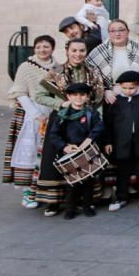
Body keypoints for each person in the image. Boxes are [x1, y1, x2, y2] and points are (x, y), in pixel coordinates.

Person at [33, 38, 105, 214]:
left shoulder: (93, 72)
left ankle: (84, 201)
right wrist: (60, 104)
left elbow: (99, 98)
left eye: (81, 50)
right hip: (62, 119)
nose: (78, 54)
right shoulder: (56, 71)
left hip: (85, 121)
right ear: (67, 51)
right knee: (54, 159)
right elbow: (40, 95)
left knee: (85, 161)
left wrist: (97, 119)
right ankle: (54, 201)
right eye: (74, 50)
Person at [3, 35, 57, 208]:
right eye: (39, 46)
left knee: (47, 154)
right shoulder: (26, 67)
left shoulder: (58, 68)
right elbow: (19, 92)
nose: (42, 50)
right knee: (31, 152)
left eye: (46, 46)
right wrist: (36, 114)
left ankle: (44, 190)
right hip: (31, 114)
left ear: (52, 48)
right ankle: (28, 193)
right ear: (34, 49)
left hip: (52, 113)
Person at [47, 82, 104, 220]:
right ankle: (70, 208)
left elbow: (99, 128)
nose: (78, 98)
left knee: (88, 180)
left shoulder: (91, 113)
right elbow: (53, 134)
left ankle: (87, 205)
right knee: (71, 182)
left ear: (87, 96)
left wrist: (88, 140)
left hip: (86, 150)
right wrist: (64, 146)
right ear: (68, 97)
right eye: (75, 95)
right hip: (69, 151)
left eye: (82, 95)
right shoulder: (62, 115)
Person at [105, 70, 139, 211]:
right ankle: (121, 197)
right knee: (122, 170)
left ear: (138, 86)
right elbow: (108, 124)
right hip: (121, 142)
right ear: (120, 87)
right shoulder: (116, 102)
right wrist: (108, 141)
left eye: (131, 88)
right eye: (125, 88)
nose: (128, 91)